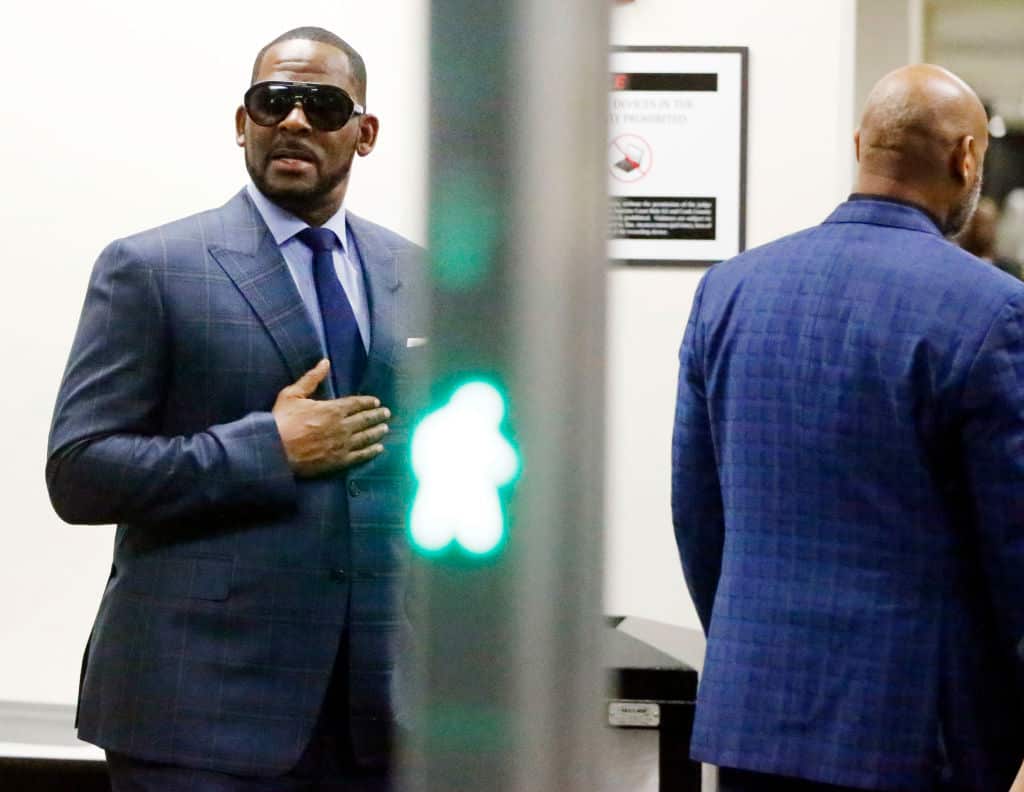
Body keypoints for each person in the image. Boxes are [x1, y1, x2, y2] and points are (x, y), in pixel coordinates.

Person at [47, 26, 424, 791]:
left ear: (365, 132)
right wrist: (268, 448)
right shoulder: (151, 268)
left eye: (321, 105)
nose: (292, 121)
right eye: (272, 101)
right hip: (199, 712)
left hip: (381, 718)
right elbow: (79, 472)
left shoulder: (415, 274)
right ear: (241, 121)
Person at [671, 64, 1024, 792]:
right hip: (918, 734)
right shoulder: (992, 312)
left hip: (754, 719)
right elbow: (1013, 547)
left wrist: (753, 645)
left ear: (861, 142)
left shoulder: (730, 290)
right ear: (965, 159)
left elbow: (698, 516)